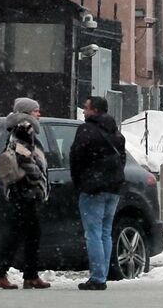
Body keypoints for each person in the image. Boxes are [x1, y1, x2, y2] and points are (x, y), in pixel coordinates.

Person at [70, 94, 127, 291]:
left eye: (86, 108)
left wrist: (79, 182)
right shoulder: (115, 132)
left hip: (93, 189)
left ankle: (97, 277)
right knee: (105, 232)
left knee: (93, 232)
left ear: (94, 110)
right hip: (113, 188)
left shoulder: (86, 130)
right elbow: (122, 159)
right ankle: (103, 274)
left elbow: (76, 157)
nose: (84, 111)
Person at [0, 98, 49, 289]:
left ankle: (30, 275)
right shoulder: (24, 128)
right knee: (19, 233)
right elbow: (24, 157)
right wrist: (37, 178)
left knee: (29, 232)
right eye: (36, 111)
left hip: (21, 190)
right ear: (26, 113)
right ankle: (1, 274)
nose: (38, 114)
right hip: (24, 190)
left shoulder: (17, 128)